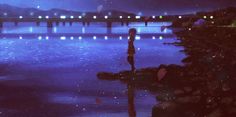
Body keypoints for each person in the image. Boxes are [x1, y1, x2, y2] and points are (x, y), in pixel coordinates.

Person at [127, 28, 137, 117]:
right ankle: (132, 67)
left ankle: (133, 68)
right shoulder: (131, 36)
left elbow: (131, 42)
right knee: (130, 59)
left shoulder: (131, 36)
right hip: (130, 48)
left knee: (130, 59)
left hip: (130, 49)